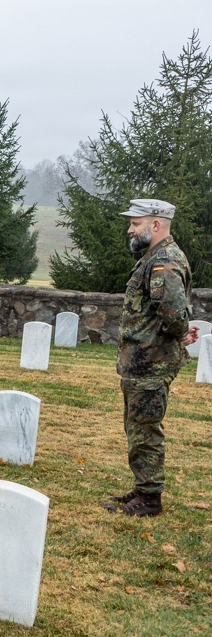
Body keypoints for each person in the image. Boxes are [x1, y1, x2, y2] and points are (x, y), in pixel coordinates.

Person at [104, 199, 198, 517]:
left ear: (155, 225)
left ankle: (150, 499)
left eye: (135, 223)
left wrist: (182, 330)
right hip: (141, 360)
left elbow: (171, 311)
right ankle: (143, 487)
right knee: (138, 426)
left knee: (145, 428)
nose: (129, 229)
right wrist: (182, 330)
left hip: (151, 361)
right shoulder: (154, 258)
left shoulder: (164, 262)